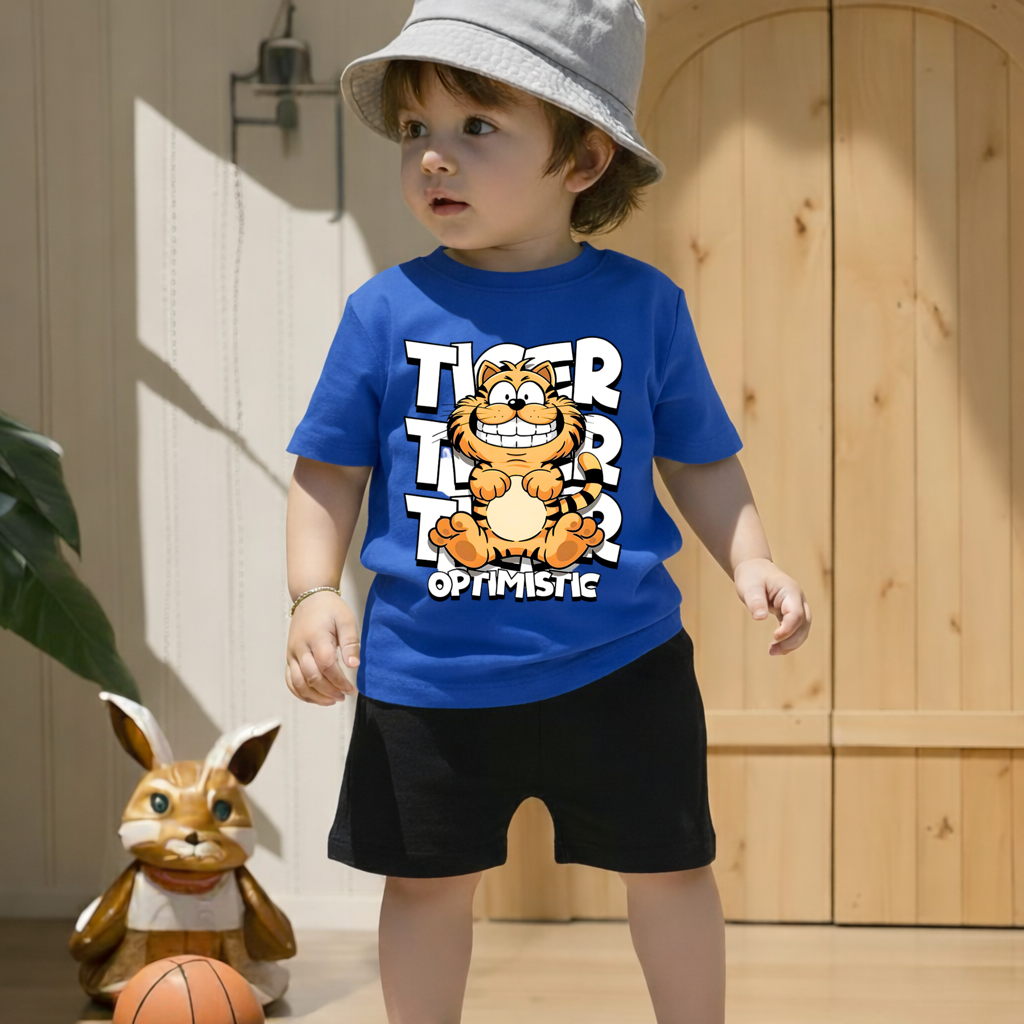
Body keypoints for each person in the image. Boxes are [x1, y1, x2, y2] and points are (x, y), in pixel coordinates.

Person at [283, 2, 811, 1022]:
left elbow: (699, 456)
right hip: (426, 676)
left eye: (476, 126)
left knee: (671, 869)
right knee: (426, 885)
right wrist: (312, 592)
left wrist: (751, 557)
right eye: (415, 130)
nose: (433, 157)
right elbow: (328, 471)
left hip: (623, 664)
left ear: (583, 159)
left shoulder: (644, 305)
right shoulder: (383, 312)